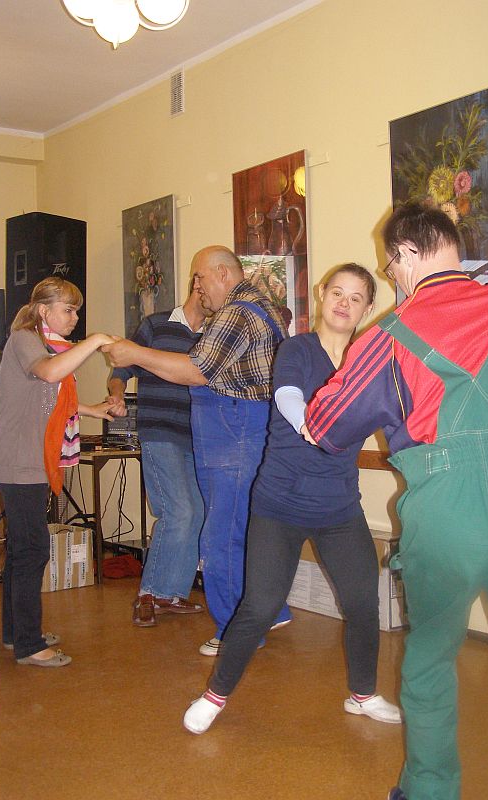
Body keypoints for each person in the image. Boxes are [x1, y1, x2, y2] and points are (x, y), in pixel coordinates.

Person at [304, 204, 488, 800]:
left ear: (408, 253)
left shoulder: (387, 334)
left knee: (430, 664)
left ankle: (428, 790)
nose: (394, 279)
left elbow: (327, 425)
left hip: (448, 513)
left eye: (391, 266)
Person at [183, 263, 402, 734]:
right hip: (279, 505)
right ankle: (215, 695)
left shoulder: (368, 361)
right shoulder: (297, 348)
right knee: (260, 606)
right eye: (337, 292)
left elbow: (391, 413)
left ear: (367, 308)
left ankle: (363, 694)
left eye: (356, 298)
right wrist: (310, 423)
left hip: (339, 508)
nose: (344, 303)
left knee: (363, 602)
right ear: (322, 294)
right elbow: (286, 395)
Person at [103, 245, 291, 653]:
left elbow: (196, 371)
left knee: (221, 537)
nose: (197, 286)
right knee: (244, 529)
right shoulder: (264, 308)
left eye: (201, 277)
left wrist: (134, 352)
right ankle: (271, 611)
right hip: (245, 434)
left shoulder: (235, 314)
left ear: (223, 274)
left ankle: (235, 631)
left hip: (234, 436)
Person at [0, 278, 114, 667]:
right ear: (44, 310)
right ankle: (29, 644)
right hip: (17, 458)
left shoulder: (47, 345)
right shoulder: (25, 339)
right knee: (32, 550)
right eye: (68, 310)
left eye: (77, 311)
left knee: (21, 548)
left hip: (28, 457)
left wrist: (92, 409)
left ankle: (15, 634)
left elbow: (51, 399)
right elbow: (50, 374)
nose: (74, 318)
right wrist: (95, 341)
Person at [107, 287, 207, 626]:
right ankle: (148, 594)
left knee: (197, 514)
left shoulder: (213, 336)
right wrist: (116, 396)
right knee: (177, 511)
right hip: (159, 433)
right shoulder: (156, 325)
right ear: (199, 285)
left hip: (196, 439)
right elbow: (121, 370)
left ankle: (170, 594)